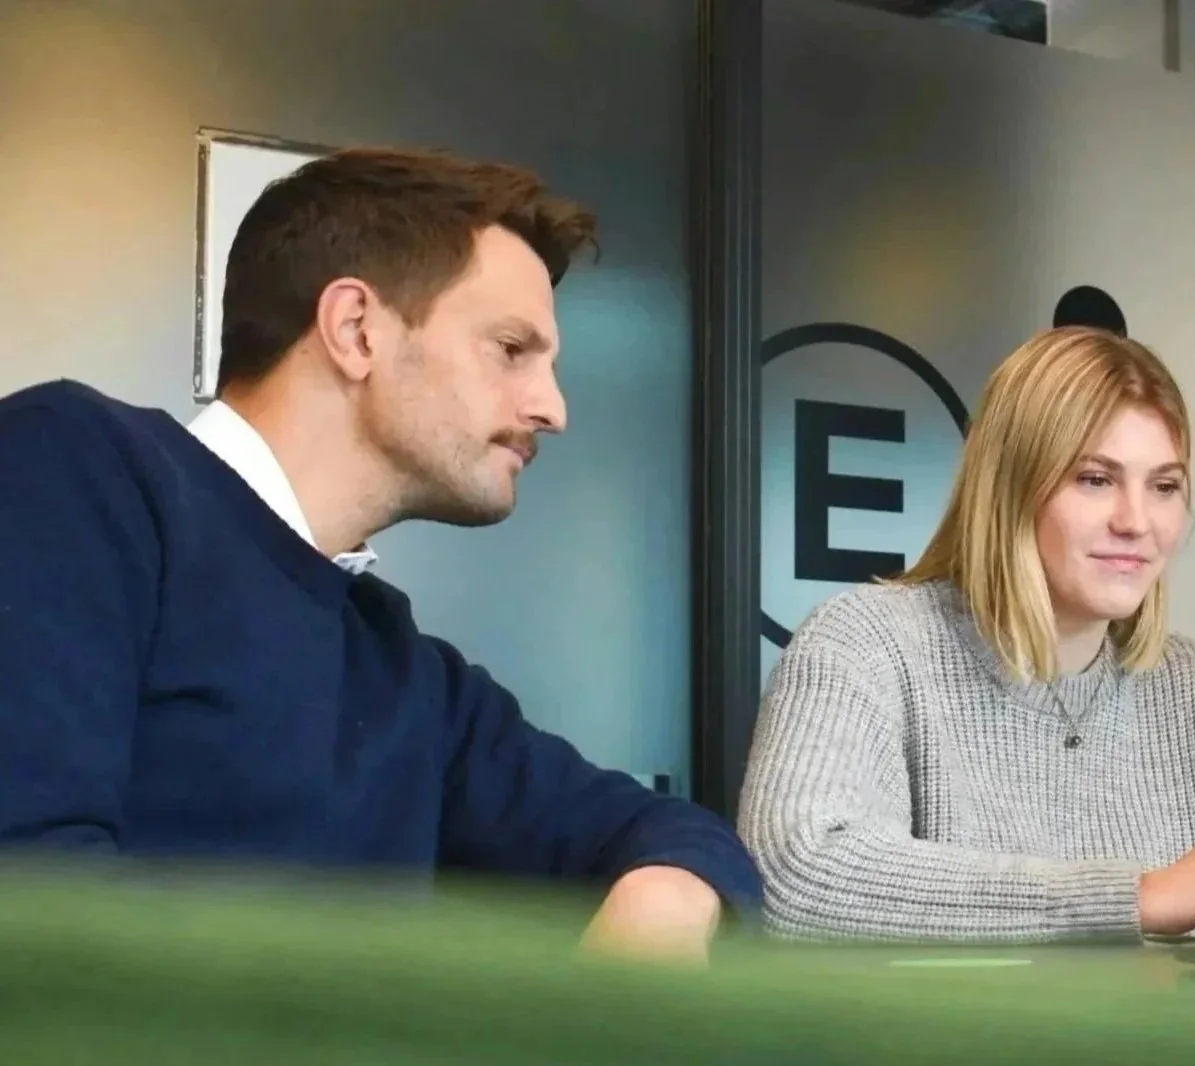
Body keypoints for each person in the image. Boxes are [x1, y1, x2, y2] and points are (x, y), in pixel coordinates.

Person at [0, 147, 759, 962]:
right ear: (356, 330)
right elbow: (35, 904)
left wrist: (666, 892)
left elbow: (675, 836)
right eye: (511, 349)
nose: (552, 408)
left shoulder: (405, 669)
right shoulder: (72, 469)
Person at [738, 326, 1195, 943]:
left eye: (1164, 487)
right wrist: (1139, 897)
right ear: (1009, 488)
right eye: (1095, 479)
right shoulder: (865, 644)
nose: (1136, 521)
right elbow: (802, 874)